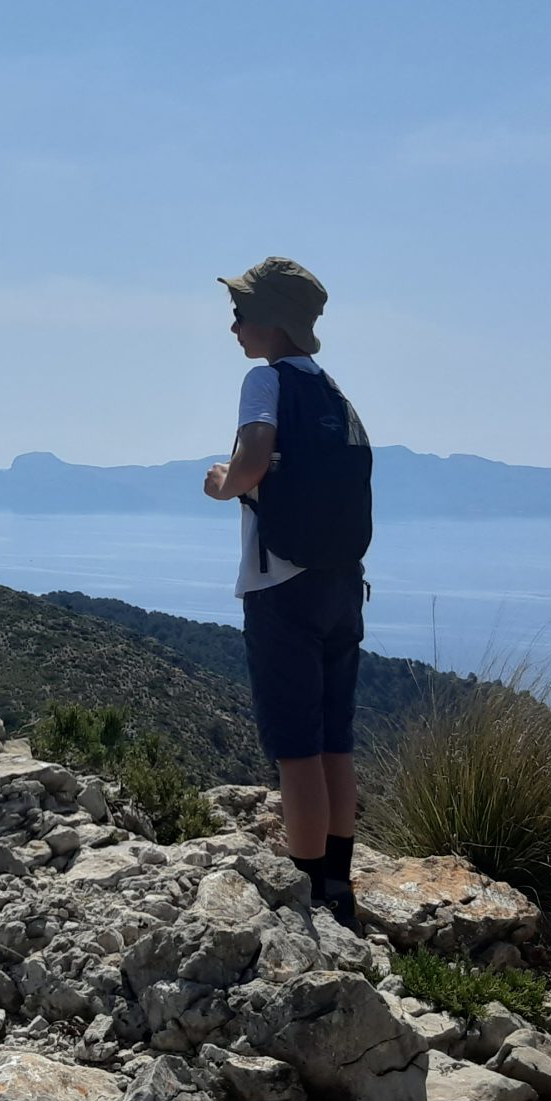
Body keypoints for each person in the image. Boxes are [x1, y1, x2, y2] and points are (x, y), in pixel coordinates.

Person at [202, 257, 373, 927]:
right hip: (343, 586)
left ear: (272, 321)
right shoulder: (334, 392)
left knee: (296, 752)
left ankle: (306, 902)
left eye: (241, 313)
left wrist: (221, 483)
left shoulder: (264, 380)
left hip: (283, 587)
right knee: (335, 746)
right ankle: (338, 886)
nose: (233, 326)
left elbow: (251, 462)